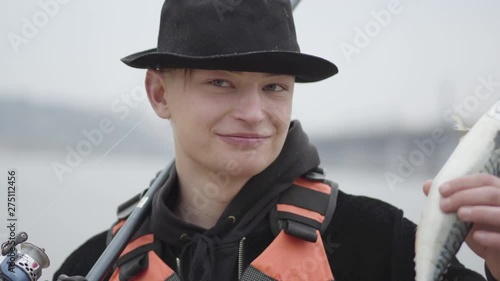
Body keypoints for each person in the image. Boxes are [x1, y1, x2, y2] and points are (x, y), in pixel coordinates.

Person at [54, 0, 500, 280]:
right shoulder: (90, 265)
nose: (254, 114)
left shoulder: (382, 245)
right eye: (221, 83)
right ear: (159, 93)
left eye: (274, 87)